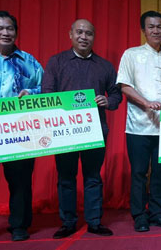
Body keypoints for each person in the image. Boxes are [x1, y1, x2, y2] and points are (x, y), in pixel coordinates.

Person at [42, 19, 122, 238]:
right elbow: (46, 92)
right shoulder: (56, 62)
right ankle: (68, 222)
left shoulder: (104, 66)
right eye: (79, 32)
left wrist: (109, 101)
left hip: (95, 130)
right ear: (70, 34)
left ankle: (94, 221)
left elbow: (116, 93)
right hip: (64, 131)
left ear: (94, 37)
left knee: (93, 177)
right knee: (66, 177)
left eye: (88, 33)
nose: (83, 37)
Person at [0, 10, 43, 244]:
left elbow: (47, 87)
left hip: (21, 132)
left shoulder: (30, 61)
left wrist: (32, 92)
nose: (6, 32)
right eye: (0, 28)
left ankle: (20, 226)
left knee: (21, 181)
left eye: (10, 28)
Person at [116, 11, 161, 232]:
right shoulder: (131, 55)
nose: (156, 30)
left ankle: (158, 213)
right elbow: (124, 86)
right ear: (143, 30)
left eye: (160, 26)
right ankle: (140, 215)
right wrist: (146, 102)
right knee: (139, 173)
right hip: (138, 126)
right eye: (151, 27)